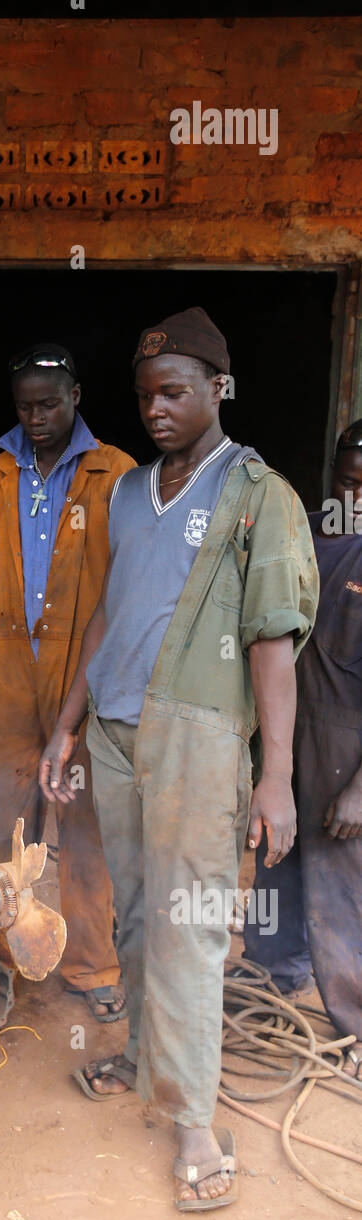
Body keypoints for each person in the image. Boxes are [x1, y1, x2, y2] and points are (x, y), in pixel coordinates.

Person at [40, 308, 319, 1210]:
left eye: (175, 393)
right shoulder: (127, 492)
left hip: (199, 738)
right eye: (145, 395)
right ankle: (140, 1054)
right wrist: (69, 722)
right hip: (117, 735)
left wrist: (274, 775)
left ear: (217, 390)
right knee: (135, 910)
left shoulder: (259, 494)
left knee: (191, 920)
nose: (156, 409)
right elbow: (107, 614)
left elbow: (274, 643)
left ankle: (195, 1118)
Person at [0, 344, 136, 1020]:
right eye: (24, 405)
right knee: (3, 816)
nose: (36, 416)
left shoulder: (115, 473)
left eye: (49, 403)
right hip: (10, 663)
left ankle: (93, 965)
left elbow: (129, 585)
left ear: (76, 397)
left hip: (85, 665)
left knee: (85, 820)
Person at [243, 421, 362, 1081]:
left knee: (342, 890)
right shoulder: (301, 531)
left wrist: (361, 788)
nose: (357, 496)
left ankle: (354, 1023)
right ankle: (272, 977)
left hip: (351, 740)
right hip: (287, 730)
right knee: (276, 863)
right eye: (348, 480)